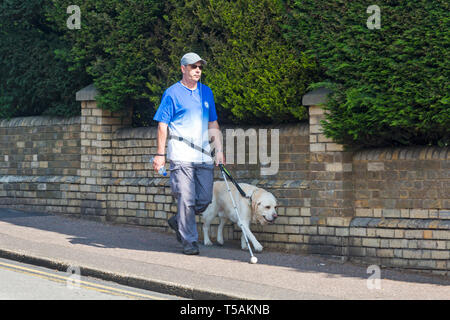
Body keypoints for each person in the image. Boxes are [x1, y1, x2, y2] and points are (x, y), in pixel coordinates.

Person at [152, 52, 225, 255]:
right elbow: (162, 125)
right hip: (181, 155)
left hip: (203, 156)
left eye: (200, 67)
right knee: (185, 198)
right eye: (193, 67)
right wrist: (160, 155)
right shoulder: (172, 93)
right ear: (183, 68)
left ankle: (179, 221)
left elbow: (213, 122)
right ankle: (190, 242)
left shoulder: (206, 92)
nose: (198, 70)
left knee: (204, 199)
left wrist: (218, 150)